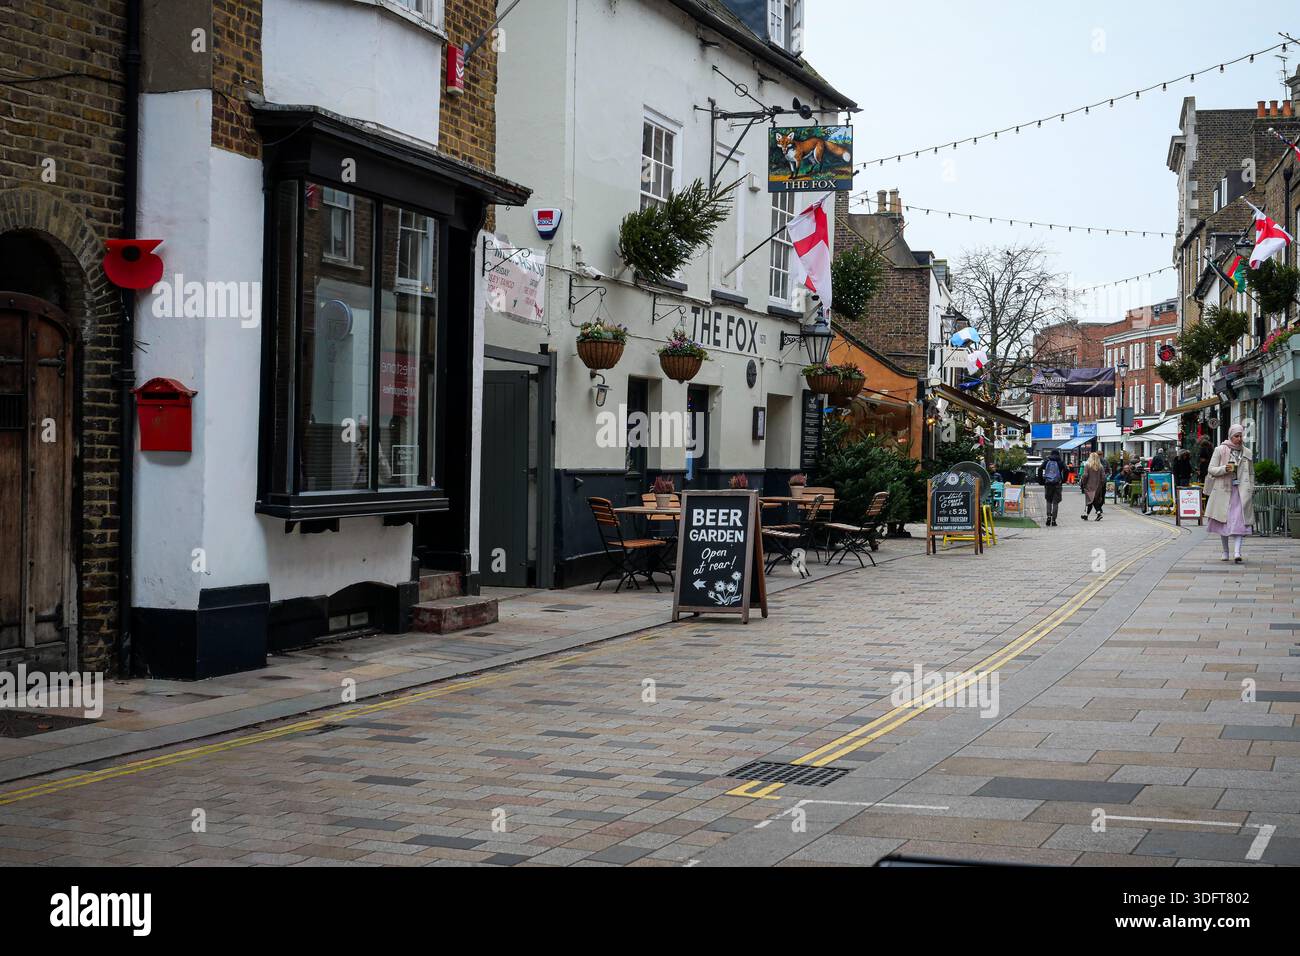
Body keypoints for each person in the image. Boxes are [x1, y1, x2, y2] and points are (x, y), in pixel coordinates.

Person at [1205, 423, 1255, 563]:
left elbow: (1251, 473)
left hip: (1241, 493)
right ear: (1230, 436)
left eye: (1241, 436)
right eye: (1236, 436)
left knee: (1240, 522)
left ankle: (1237, 552)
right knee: (1224, 523)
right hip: (1223, 491)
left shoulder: (1247, 452)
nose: (1239, 439)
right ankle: (1225, 551)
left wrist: (1251, 488)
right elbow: (1211, 469)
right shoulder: (1220, 450)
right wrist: (1224, 469)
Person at [1080, 451, 1106, 521]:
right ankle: (1086, 515)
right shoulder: (1100, 466)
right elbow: (1103, 477)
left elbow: (1085, 475)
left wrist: (1083, 483)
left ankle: (1098, 513)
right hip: (1098, 486)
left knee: (1092, 500)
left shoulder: (1087, 465)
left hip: (1089, 486)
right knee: (1092, 500)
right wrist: (1101, 484)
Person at [1042, 448, 1064, 526]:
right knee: (1055, 502)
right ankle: (1054, 520)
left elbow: (1040, 469)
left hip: (1048, 484)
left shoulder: (1047, 461)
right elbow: (1066, 470)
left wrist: (1041, 480)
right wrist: (1063, 480)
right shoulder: (1060, 462)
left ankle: (1048, 516)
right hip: (1057, 484)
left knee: (1048, 501)